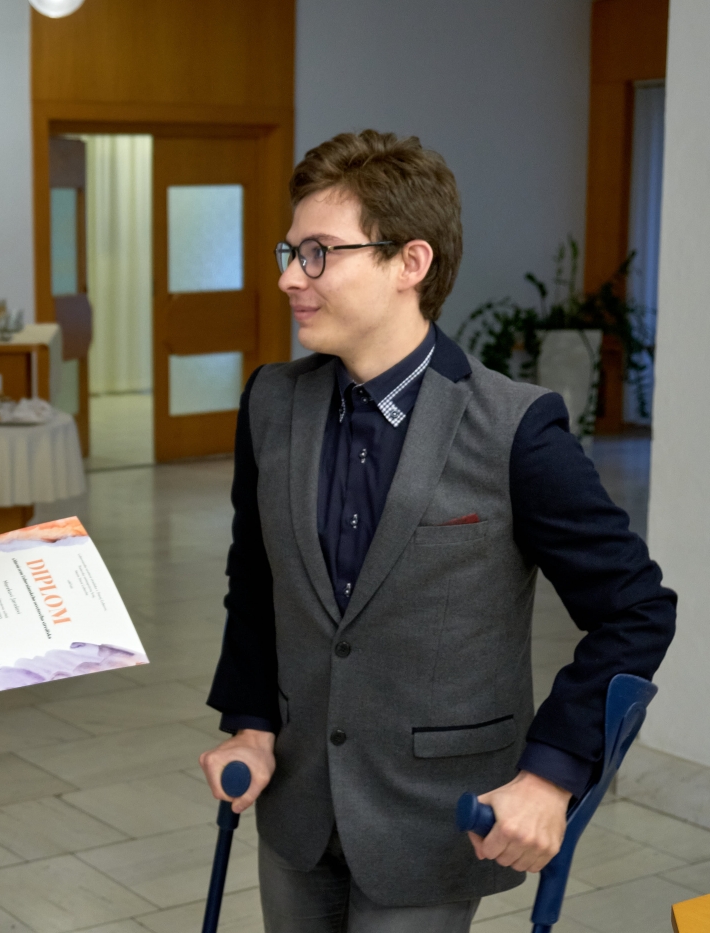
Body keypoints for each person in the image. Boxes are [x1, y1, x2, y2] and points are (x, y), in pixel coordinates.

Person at [199, 130, 676, 932]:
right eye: (290, 251)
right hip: (296, 811)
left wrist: (550, 774)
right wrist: (251, 727)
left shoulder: (516, 427)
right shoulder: (271, 402)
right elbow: (256, 581)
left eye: (318, 253)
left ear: (409, 263)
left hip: (432, 822)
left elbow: (636, 609)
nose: (289, 276)